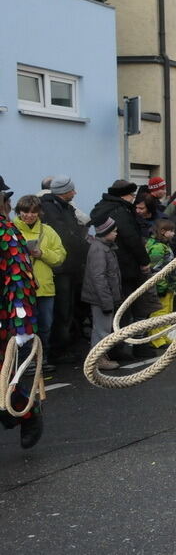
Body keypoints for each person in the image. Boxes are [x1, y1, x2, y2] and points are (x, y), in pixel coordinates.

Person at [0, 177, 44, 448]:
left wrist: (22, 324)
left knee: (1, 378)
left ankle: (27, 412)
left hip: (2, 318)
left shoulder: (6, 231)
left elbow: (20, 279)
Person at [12, 195, 66, 373]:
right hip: (20, 288)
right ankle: (26, 362)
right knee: (23, 327)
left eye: (33, 212)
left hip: (44, 287)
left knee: (45, 326)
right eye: (25, 211)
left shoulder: (47, 231)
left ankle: (42, 359)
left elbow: (60, 256)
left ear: (39, 212)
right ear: (18, 211)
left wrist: (41, 253)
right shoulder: (10, 229)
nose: (29, 215)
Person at [39, 176, 89, 363]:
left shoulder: (62, 207)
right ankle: (58, 350)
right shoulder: (52, 208)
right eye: (72, 190)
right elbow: (66, 235)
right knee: (62, 310)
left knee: (67, 310)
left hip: (69, 266)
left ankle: (63, 346)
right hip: (62, 269)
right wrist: (85, 248)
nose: (75, 193)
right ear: (64, 191)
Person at [91, 180, 151, 307]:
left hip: (112, 260)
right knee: (127, 302)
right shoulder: (121, 211)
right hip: (126, 263)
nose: (133, 198)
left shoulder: (104, 207)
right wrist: (144, 261)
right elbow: (131, 237)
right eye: (132, 195)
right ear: (123, 195)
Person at [81, 217, 121, 371]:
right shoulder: (99, 249)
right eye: (114, 231)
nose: (116, 233)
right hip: (101, 297)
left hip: (104, 296)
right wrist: (106, 301)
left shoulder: (105, 247)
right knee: (101, 328)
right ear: (106, 232)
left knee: (102, 327)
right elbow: (99, 277)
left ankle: (100, 356)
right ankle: (98, 359)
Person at [145, 219, 176, 348]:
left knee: (167, 311)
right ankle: (156, 338)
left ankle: (165, 334)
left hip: (169, 284)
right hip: (163, 285)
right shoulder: (157, 247)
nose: (173, 233)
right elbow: (156, 270)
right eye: (171, 231)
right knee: (159, 312)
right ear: (163, 232)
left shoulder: (163, 245)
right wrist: (161, 287)